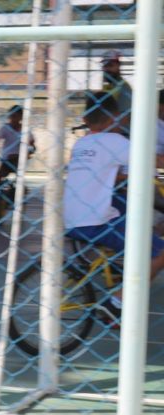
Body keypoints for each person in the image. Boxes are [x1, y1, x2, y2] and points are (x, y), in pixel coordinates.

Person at [63, 92, 164, 324]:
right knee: (160, 254)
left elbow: (105, 174)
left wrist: (124, 176)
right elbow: (156, 161)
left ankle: (135, 253)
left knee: (128, 205)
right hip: (96, 222)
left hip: (73, 218)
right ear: (115, 117)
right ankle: (115, 302)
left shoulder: (83, 142)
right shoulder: (115, 141)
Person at [0, 105, 36, 185]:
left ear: (21, 118)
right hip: (7, 159)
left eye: (15, 116)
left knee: (18, 179)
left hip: (19, 159)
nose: (12, 119)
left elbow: (33, 145)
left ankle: (20, 189)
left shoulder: (25, 130)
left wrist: (28, 152)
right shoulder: (5, 128)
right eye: (11, 116)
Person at [101, 50, 132, 130]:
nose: (107, 69)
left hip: (122, 134)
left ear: (118, 66)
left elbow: (125, 118)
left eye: (110, 65)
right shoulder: (109, 87)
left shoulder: (124, 87)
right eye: (104, 66)